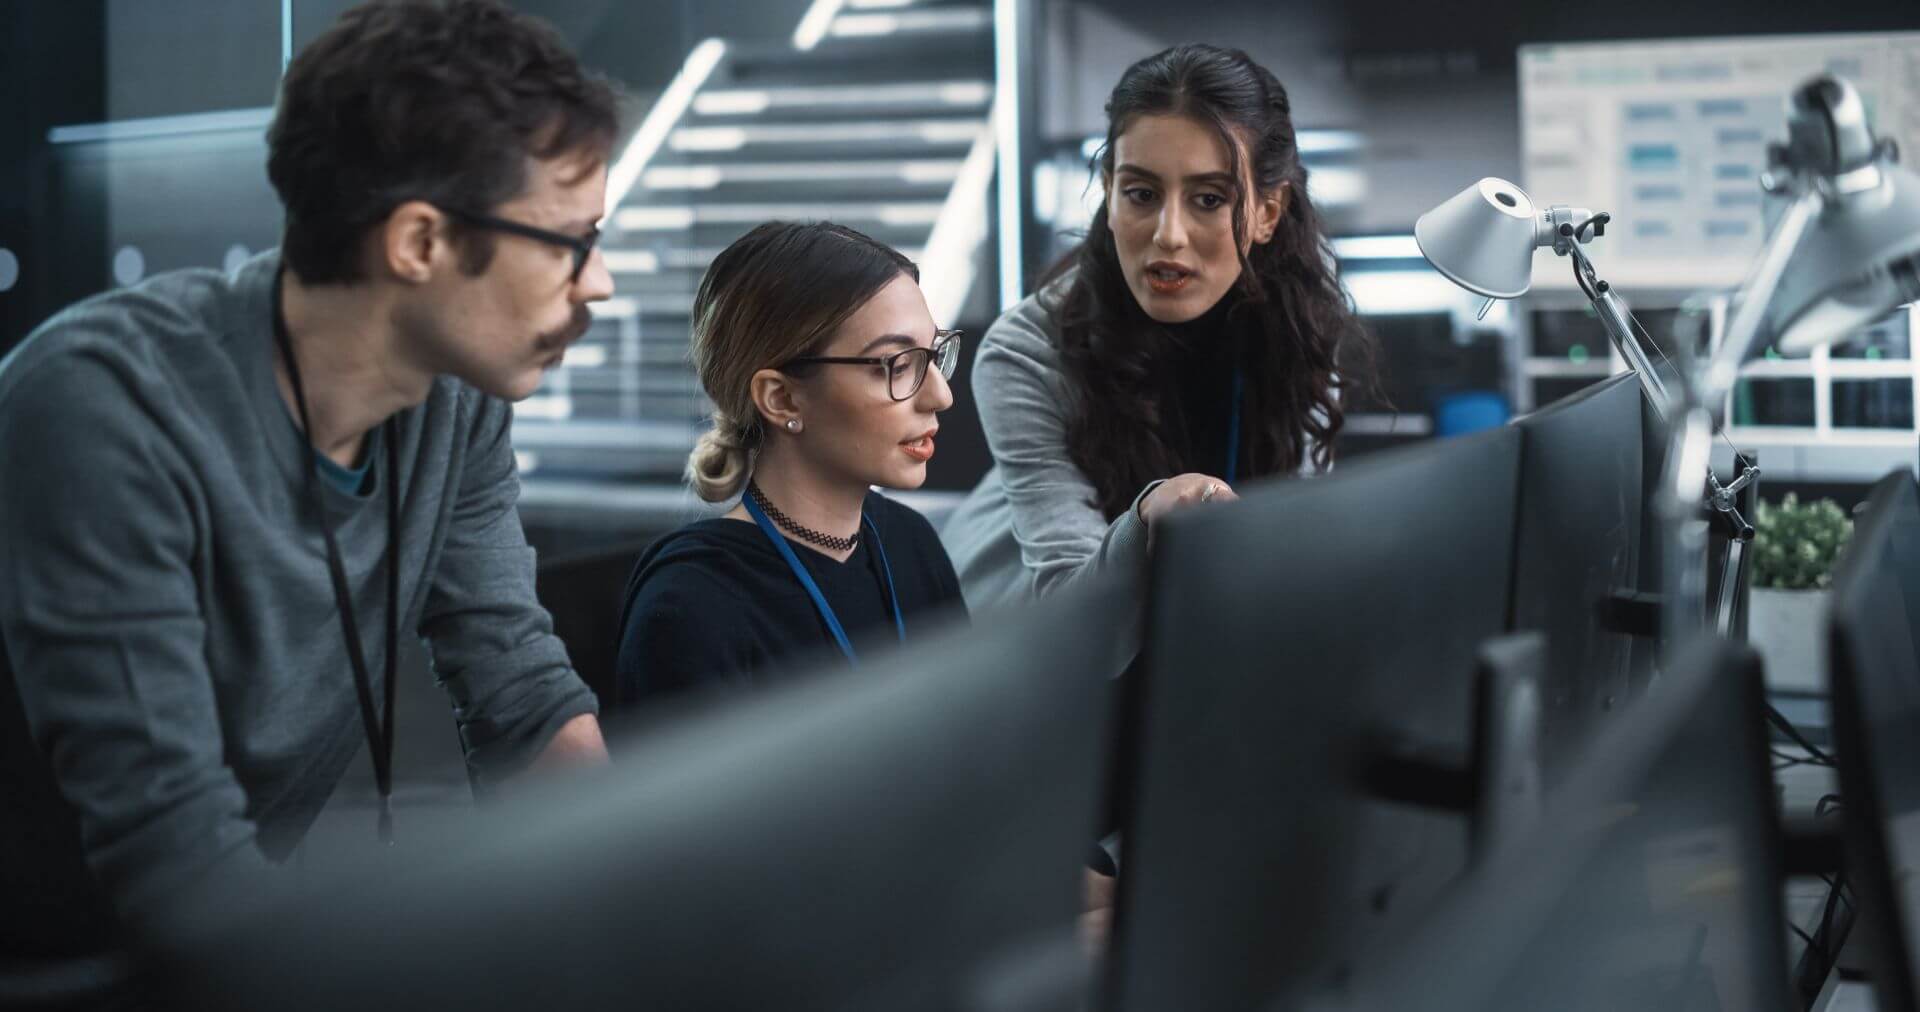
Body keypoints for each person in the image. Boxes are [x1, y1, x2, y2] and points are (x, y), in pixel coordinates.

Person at [0, 0, 618, 992]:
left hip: (236, 945)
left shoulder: (453, 401)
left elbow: (522, 690)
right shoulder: (102, 403)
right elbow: (174, 853)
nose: (602, 284)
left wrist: (649, 903)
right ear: (419, 242)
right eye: (570, 242)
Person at [939, 44, 1376, 612]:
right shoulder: (1026, 352)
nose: (1169, 234)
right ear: (1109, 187)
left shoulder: (1301, 329)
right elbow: (1074, 607)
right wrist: (1146, 520)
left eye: (1209, 199)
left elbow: (1288, 559)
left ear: (1268, 212)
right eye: (1142, 194)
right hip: (1014, 635)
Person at [615, 222, 966, 708]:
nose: (940, 396)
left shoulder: (912, 543)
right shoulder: (691, 608)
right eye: (896, 364)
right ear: (781, 399)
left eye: (932, 355)